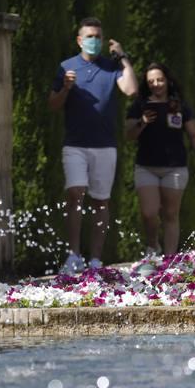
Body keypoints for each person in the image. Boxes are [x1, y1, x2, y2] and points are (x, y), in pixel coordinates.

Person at [48, 17, 138, 274]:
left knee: (101, 201)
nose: (94, 41)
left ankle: (95, 260)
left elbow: (131, 89)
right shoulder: (66, 67)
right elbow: (52, 104)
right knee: (75, 193)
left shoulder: (111, 68)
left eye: (98, 37)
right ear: (79, 40)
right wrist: (65, 88)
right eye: (89, 37)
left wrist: (122, 57)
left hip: (105, 145)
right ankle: (73, 255)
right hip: (75, 144)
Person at [124, 62, 195, 258]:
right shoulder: (140, 105)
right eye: (151, 81)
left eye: (159, 79)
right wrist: (142, 122)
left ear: (168, 81)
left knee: (171, 214)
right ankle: (153, 245)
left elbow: (194, 135)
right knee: (149, 212)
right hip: (146, 167)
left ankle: (169, 260)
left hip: (175, 168)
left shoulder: (179, 106)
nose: (156, 84)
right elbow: (128, 135)